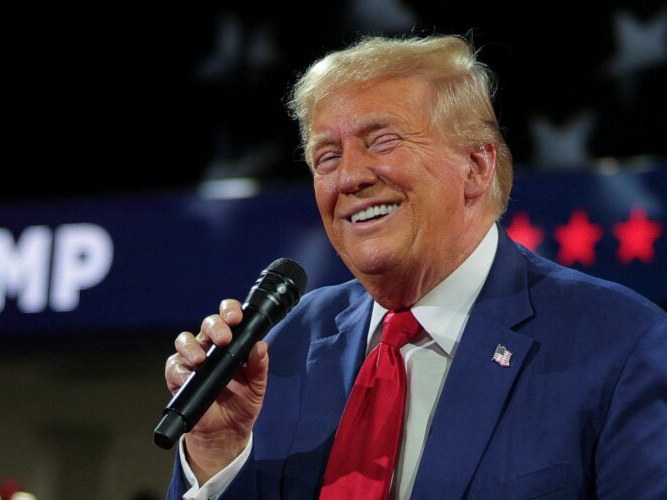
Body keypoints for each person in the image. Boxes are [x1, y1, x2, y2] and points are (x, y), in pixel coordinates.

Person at [164, 34, 667, 499]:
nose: (350, 177)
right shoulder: (284, 346)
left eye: (382, 141)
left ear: (476, 166)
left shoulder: (621, 343)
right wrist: (216, 454)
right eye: (327, 157)